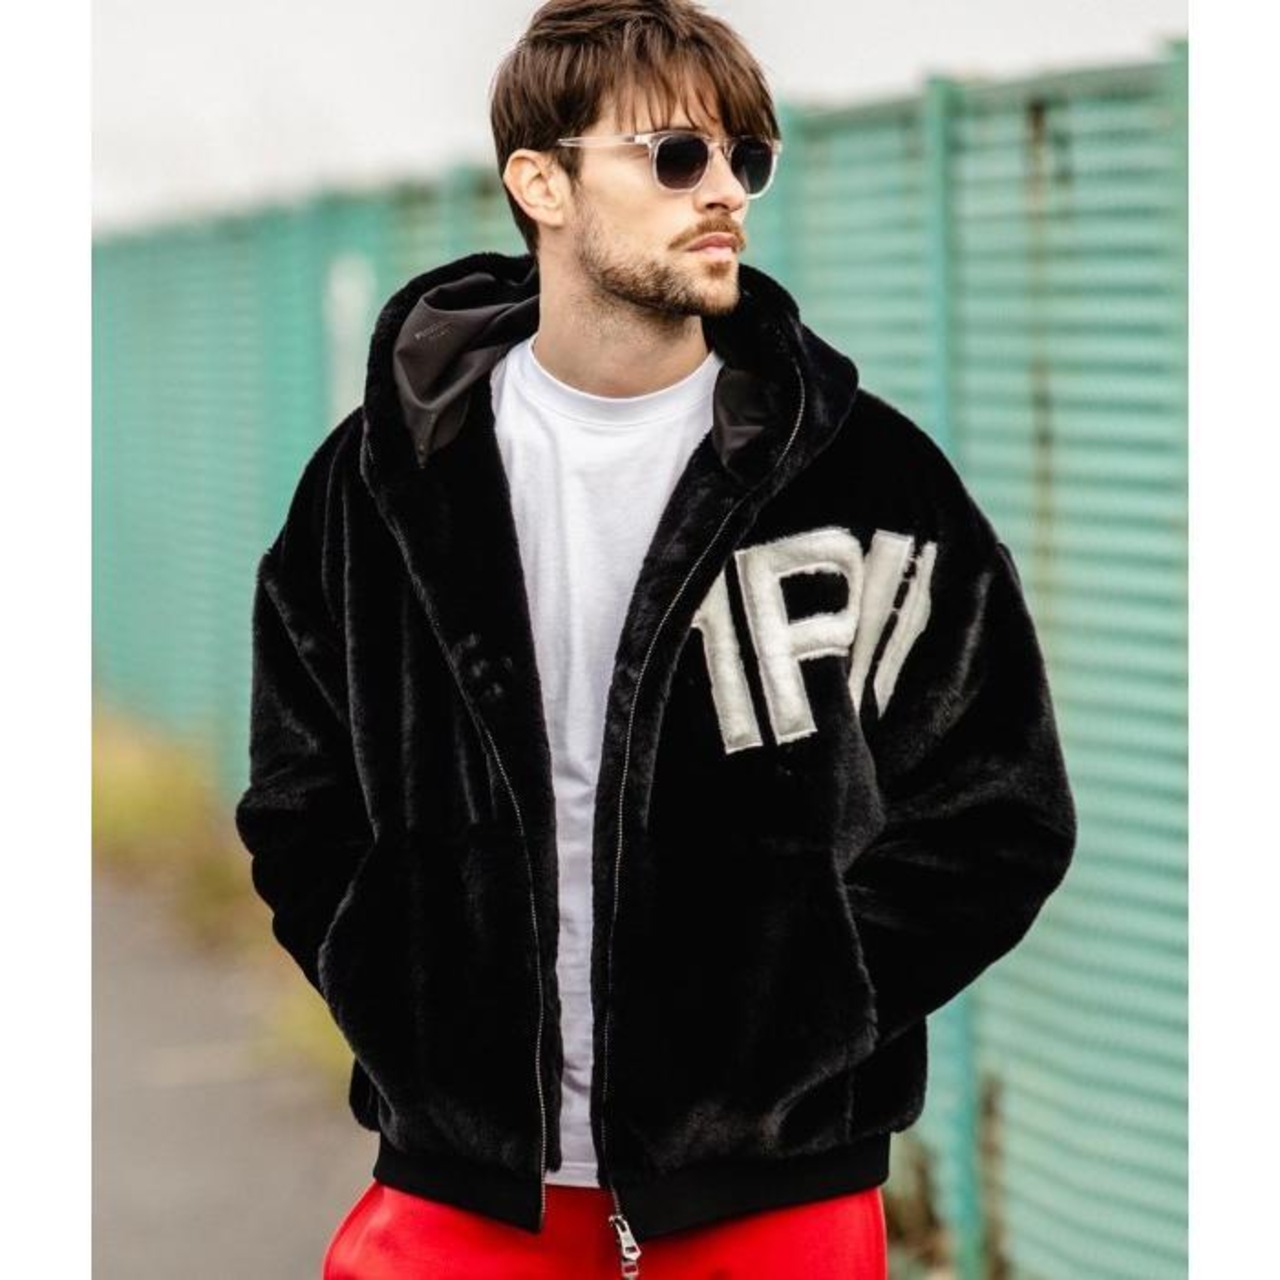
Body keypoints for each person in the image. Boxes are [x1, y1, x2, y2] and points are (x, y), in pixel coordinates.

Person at [233, 1, 1078, 1275]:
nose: (723, 189)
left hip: (771, 1201)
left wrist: (805, 1007)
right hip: (464, 1194)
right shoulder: (383, 483)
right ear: (541, 184)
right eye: (675, 155)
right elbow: (300, 794)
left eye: (746, 156)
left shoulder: (864, 478)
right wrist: (394, 993)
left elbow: (997, 808)